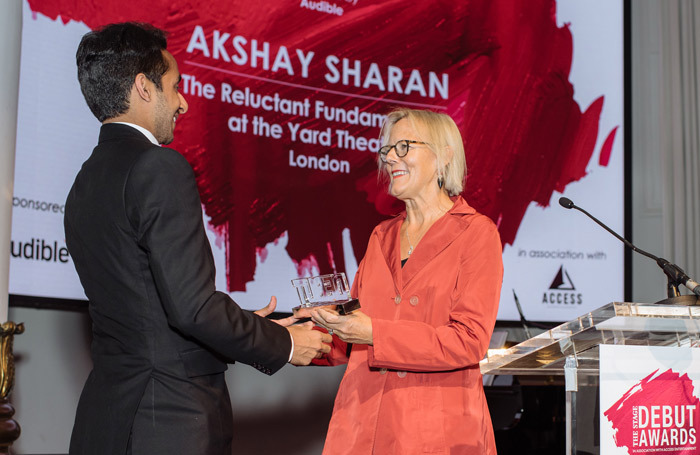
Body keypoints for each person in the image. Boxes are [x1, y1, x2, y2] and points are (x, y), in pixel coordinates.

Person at [65, 22, 331, 455]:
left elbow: (149, 307)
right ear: (143, 88)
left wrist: (251, 325)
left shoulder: (84, 183)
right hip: (170, 421)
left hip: (108, 419)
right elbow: (190, 309)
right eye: (174, 87)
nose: (183, 103)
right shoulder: (159, 167)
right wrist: (283, 344)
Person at [310, 108, 504, 454]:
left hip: (436, 434)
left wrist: (375, 334)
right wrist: (280, 336)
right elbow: (347, 336)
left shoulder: (477, 234)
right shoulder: (380, 236)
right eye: (387, 150)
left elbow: (469, 340)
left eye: (404, 147)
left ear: (444, 154)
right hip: (362, 428)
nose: (390, 159)